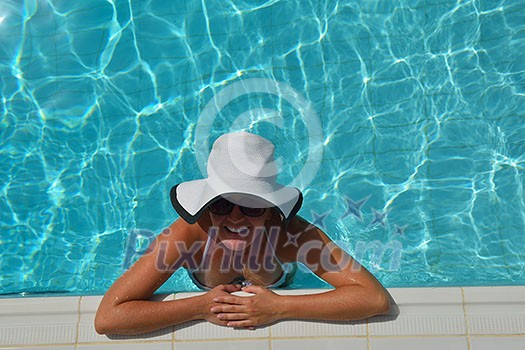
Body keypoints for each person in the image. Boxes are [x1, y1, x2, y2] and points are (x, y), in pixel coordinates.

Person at [95, 132, 390, 335]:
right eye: (222, 204)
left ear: (271, 207)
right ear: (206, 204)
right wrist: (199, 307)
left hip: (282, 287)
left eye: (251, 206)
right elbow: (109, 316)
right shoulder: (187, 235)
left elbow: (373, 298)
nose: (235, 217)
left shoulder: (292, 234)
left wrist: (279, 307)